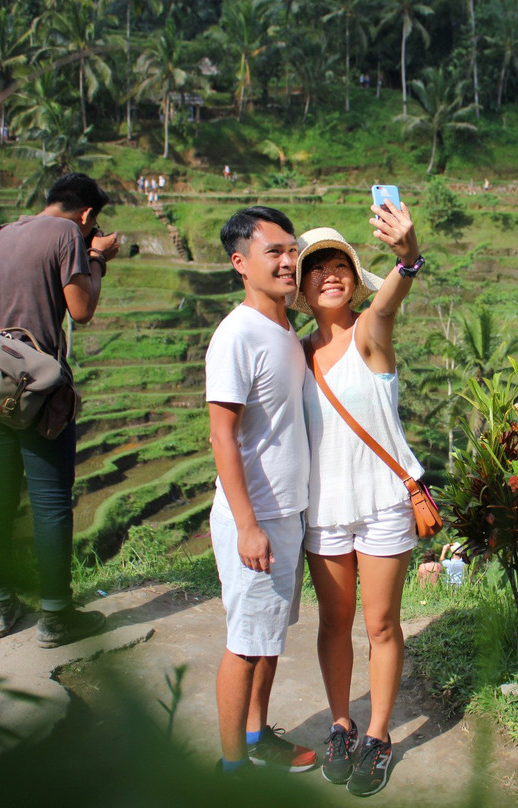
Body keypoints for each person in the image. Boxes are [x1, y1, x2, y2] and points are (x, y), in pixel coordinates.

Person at [291, 200, 424, 797]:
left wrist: (408, 257)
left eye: (339, 264)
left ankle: (378, 736)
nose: (329, 275)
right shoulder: (296, 352)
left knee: (381, 624)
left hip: (381, 503)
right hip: (324, 509)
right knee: (334, 623)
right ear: (302, 286)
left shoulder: (370, 331)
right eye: (316, 268)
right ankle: (340, 724)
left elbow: (390, 300)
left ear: (354, 275)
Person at [0, 172, 119, 647]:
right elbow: (81, 310)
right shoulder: (66, 234)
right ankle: (56, 615)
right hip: (35, 389)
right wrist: (97, 258)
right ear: (87, 214)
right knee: (51, 500)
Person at [206, 206, 315, 776]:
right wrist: (247, 526)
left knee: (269, 638)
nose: (289, 261)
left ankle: (255, 736)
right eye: (274, 252)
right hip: (256, 518)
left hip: (287, 513)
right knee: (245, 644)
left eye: (292, 250)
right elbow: (221, 434)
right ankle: (233, 771)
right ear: (240, 263)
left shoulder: (285, 330)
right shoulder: (237, 334)